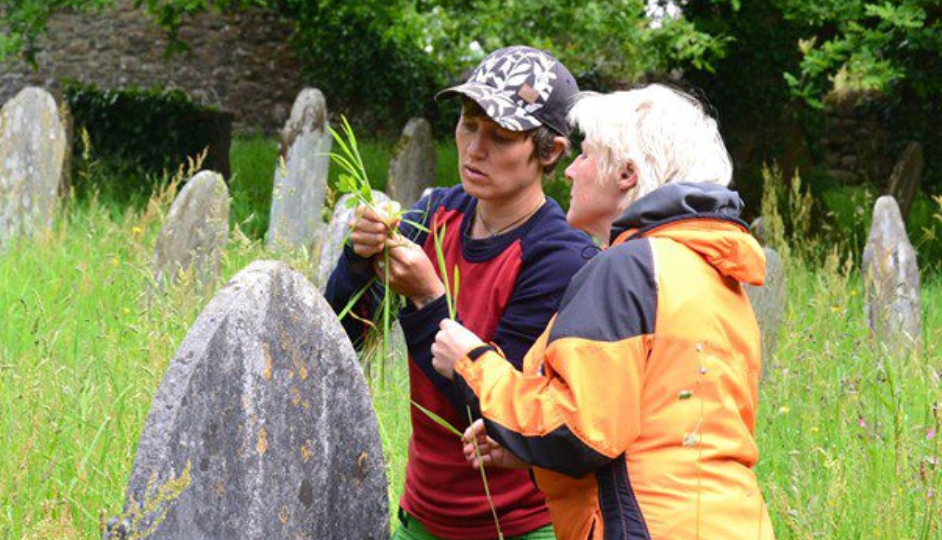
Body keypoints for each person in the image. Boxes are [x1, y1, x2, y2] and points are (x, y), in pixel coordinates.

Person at [431, 84, 774, 540]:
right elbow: (654, 431)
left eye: (587, 155)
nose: (570, 170)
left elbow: (579, 432)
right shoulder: (713, 275)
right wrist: (524, 450)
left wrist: (473, 362)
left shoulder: (626, 270)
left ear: (626, 174)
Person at [325, 45, 599, 540]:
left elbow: (496, 420)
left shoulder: (562, 260)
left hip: (517, 527)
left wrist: (429, 300)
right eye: (469, 124)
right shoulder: (434, 217)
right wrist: (357, 258)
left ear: (551, 151)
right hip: (421, 517)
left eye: (500, 136)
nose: (475, 149)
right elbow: (345, 341)